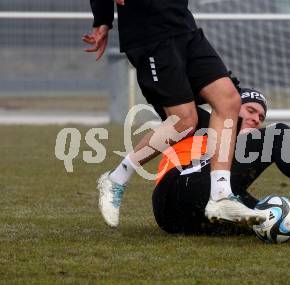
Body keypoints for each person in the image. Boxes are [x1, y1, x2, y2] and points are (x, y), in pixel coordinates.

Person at [83, 0, 266, 227]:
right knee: (185, 121)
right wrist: (103, 19)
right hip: (150, 35)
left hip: (184, 27)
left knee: (229, 100)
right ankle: (116, 179)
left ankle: (220, 196)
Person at [152, 86, 290, 236]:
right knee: (278, 135)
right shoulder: (204, 120)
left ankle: (277, 226)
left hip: (185, 220)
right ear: (230, 106)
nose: (256, 119)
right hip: (177, 190)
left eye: (260, 117)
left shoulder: (233, 161)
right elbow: (164, 96)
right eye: (250, 110)